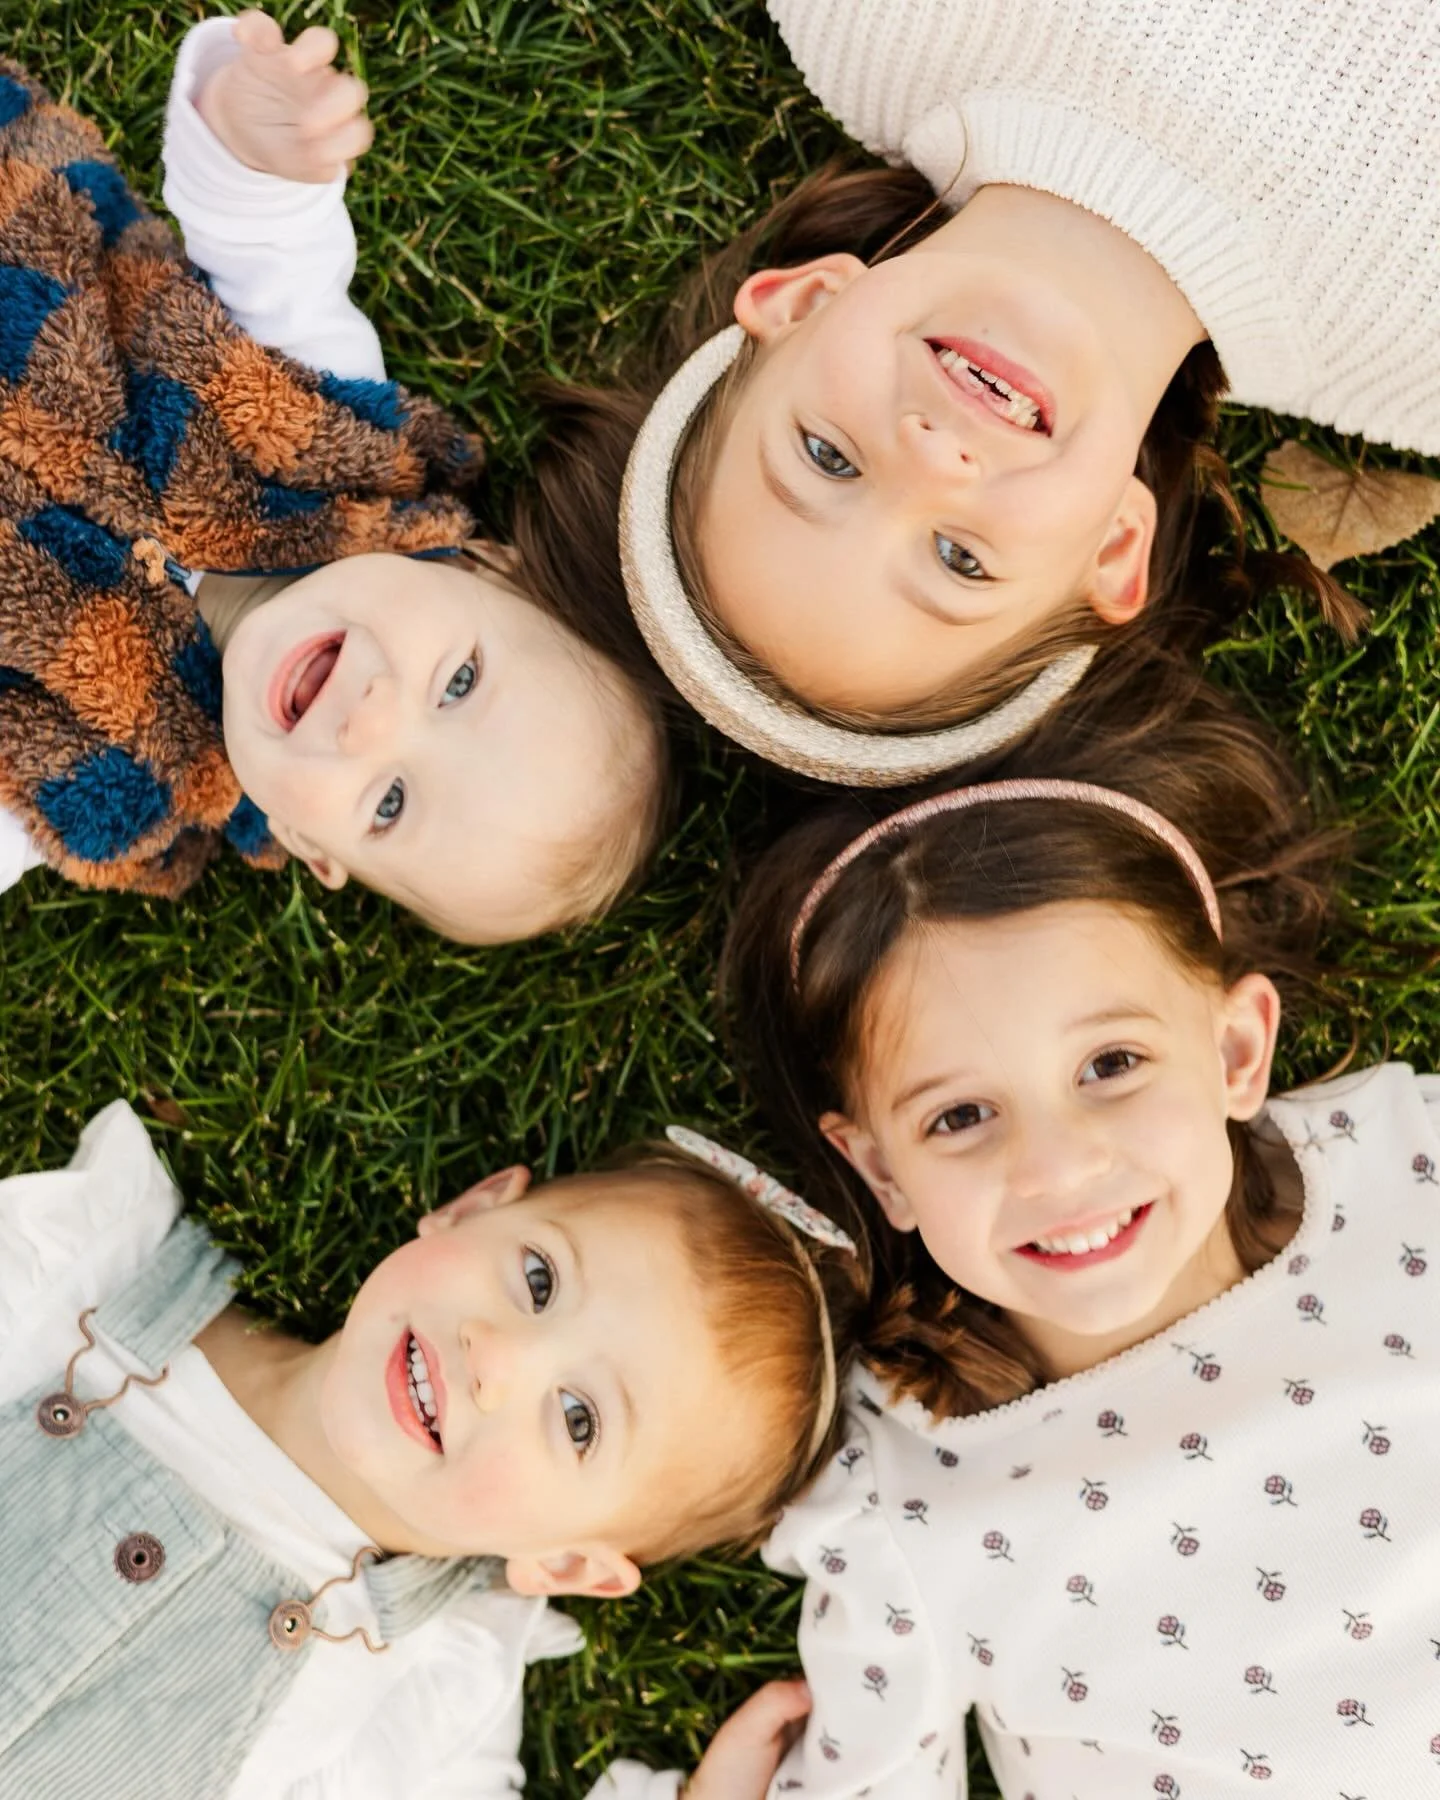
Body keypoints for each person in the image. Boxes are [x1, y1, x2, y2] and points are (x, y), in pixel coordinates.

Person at [710, 657, 1440, 1794]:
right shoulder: (905, 1487)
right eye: (959, 1117)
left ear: (1237, 1051)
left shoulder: (1407, 1167)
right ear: (881, 1173)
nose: (1056, 1168)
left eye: (1111, 1064)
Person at [528, 0, 1436, 787]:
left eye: (827, 458)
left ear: (805, 301)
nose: (932, 459)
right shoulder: (1413, 356)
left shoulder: (864, 26)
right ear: (1116, 547)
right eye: (959, 560)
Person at [0, 15, 665, 941]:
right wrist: (253, 139)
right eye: (459, 684)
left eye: (390, 802)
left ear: (306, 841)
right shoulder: (329, 432)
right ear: (481, 566)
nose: (370, 722)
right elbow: (270, 247)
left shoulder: (114, 787)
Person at [0, 1101, 856, 1798]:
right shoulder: (82, 1282)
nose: (500, 1358)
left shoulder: (417, 1689)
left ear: (562, 1563)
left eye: (579, 1418)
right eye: (538, 1281)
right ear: (470, 1209)